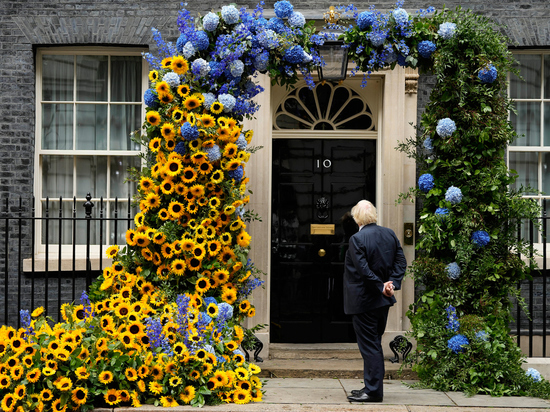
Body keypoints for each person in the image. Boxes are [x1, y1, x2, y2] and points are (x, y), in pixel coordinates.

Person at [343, 200, 407, 403]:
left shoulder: (357, 238)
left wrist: (381, 286)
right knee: (374, 345)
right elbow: (401, 261)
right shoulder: (389, 233)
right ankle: (371, 385)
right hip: (382, 301)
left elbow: (363, 270)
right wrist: (392, 284)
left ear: (356, 218)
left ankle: (372, 391)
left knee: (370, 346)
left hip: (364, 301)